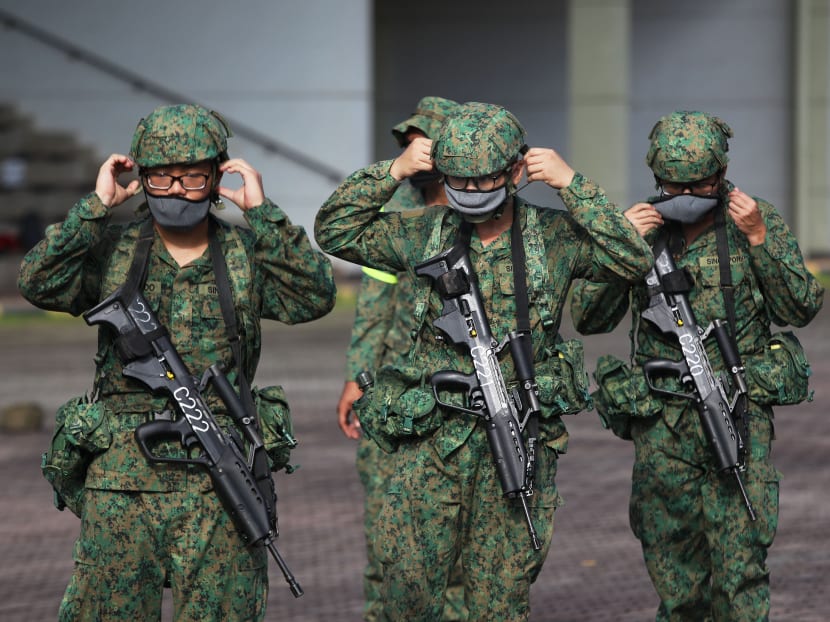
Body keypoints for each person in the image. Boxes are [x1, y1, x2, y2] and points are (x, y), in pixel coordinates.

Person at [315, 101, 653, 621]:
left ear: (517, 170)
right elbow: (335, 231)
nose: (471, 193)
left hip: (515, 439)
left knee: (501, 599)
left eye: (484, 181)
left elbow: (631, 258)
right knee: (406, 592)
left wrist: (571, 185)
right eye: (459, 181)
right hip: (430, 442)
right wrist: (394, 170)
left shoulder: (555, 235)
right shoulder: (421, 229)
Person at [18, 103, 336, 621]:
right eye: (161, 177)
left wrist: (263, 213)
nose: (176, 190)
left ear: (217, 175)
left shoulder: (246, 253)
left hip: (218, 485)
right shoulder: (111, 250)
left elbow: (314, 296)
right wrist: (95, 207)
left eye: (191, 176)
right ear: (141, 178)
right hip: (122, 482)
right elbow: (38, 282)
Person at [570, 110, 824, 621]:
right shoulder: (639, 228)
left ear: (722, 174)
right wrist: (622, 245)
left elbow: (799, 308)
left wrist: (758, 238)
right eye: (673, 184)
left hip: (737, 418)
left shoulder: (753, 219)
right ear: (655, 176)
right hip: (663, 428)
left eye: (700, 184)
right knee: (677, 578)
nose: (686, 194)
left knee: (740, 576)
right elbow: (589, 319)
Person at [334, 96, 467, 621]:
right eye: (408, 141)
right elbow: (374, 306)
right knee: (387, 533)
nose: (415, 149)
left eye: (425, 139)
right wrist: (356, 377)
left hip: (461, 393)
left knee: (460, 541)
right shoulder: (395, 218)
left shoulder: (481, 215)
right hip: (396, 395)